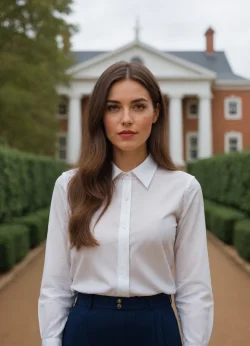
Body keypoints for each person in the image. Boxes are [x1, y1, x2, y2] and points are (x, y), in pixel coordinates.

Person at [38, 61, 214, 346]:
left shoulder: (184, 188)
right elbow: (55, 284)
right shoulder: (70, 186)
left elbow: (194, 287)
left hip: (155, 326)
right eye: (113, 107)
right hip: (86, 327)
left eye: (139, 106)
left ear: (156, 112)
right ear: (100, 115)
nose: (126, 119)